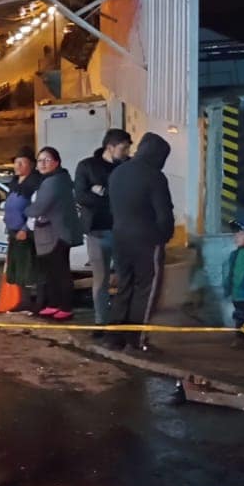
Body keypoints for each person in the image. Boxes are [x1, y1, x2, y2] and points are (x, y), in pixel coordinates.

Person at [106, 133, 174, 349]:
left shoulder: (118, 172)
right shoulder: (154, 176)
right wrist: (164, 236)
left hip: (120, 237)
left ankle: (115, 335)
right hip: (147, 240)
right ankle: (138, 337)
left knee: (124, 285)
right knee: (146, 288)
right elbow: (164, 213)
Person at [74, 127, 132, 326]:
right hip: (97, 231)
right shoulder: (87, 166)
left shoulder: (128, 166)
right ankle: (101, 321)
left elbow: (129, 196)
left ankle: (123, 318)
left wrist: (102, 192)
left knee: (125, 276)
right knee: (101, 279)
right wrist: (108, 197)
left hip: (123, 230)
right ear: (110, 147)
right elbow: (81, 196)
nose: (126, 153)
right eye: (123, 149)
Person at [25, 146, 79, 319]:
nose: (42, 164)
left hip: (57, 233)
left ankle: (65, 307)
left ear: (56, 162)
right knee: (52, 272)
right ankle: (54, 304)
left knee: (60, 271)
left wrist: (26, 211)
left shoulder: (53, 181)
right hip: (55, 231)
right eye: (40, 160)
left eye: (47, 160)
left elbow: (39, 207)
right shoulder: (57, 179)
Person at [0, 148, 42, 312]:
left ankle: (30, 301)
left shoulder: (34, 183)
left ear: (31, 164)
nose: (17, 166)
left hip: (26, 232)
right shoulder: (15, 181)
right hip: (12, 230)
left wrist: (25, 228)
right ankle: (18, 300)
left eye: (21, 162)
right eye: (16, 162)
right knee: (16, 268)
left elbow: (35, 208)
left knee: (27, 268)